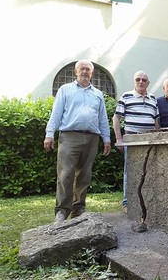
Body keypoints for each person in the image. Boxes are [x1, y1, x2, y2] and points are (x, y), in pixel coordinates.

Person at [44, 59, 111, 222]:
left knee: (84, 175)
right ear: (76, 71)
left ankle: (79, 209)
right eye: (82, 69)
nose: (85, 71)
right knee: (65, 173)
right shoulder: (65, 90)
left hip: (92, 138)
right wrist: (49, 133)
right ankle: (61, 211)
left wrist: (106, 139)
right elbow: (56, 113)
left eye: (88, 69)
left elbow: (103, 118)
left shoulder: (98, 94)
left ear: (92, 73)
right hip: (69, 136)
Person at [113, 71, 160, 213]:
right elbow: (116, 118)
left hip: (149, 139)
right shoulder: (126, 96)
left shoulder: (153, 98)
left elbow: (156, 121)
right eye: (138, 79)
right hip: (132, 138)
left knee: (149, 170)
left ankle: (147, 201)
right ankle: (127, 203)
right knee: (130, 171)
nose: (140, 82)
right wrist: (119, 138)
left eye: (144, 80)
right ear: (134, 81)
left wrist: (158, 138)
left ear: (148, 83)